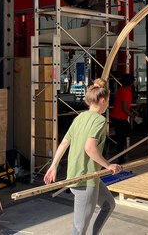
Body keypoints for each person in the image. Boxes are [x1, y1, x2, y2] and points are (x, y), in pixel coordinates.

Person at [44, 78, 120, 235]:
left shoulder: (79, 118)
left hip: (87, 176)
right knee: (79, 229)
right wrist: (108, 165)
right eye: (108, 102)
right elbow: (89, 148)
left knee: (108, 205)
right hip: (84, 180)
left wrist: (53, 166)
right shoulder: (99, 120)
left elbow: (64, 144)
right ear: (103, 100)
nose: (107, 106)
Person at [110, 74, 136, 156]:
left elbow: (122, 104)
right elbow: (124, 108)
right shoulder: (127, 92)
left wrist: (132, 110)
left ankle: (120, 153)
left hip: (115, 116)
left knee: (121, 136)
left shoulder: (120, 89)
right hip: (120, 117)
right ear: (131, 82)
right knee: (122, 138)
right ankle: (120, 156)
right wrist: (134, 116)